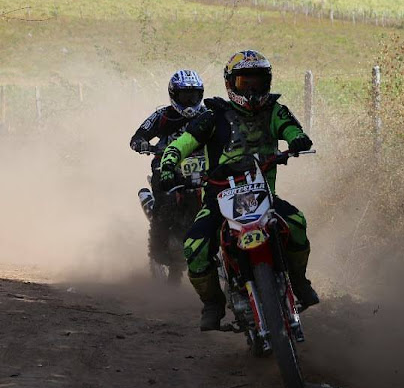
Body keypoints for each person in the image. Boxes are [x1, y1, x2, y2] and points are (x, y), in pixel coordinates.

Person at [159, 50, 318, 331]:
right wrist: (169, 164)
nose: (253, 90)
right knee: (194, 247)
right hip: (218, 199)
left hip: (262, 195)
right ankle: (213, 303)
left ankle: (299, 281)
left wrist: (298, 140)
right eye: (246, 83)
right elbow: (181, 143)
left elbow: (291, 128)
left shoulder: (275, 110)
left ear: (268, 82)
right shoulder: (212, 116)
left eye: (258, 81)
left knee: (296, 223)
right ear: (231, 84)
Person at [130, 70, 206, 266]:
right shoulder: (163, 115)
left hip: (202, 163)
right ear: (173, 95)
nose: (189, 102)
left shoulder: (207, 115)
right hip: (166, 165)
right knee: (167, 200)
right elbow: (139, 135)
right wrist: (142, 144)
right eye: (184, 96)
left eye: (193, 96)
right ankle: (158, 247)